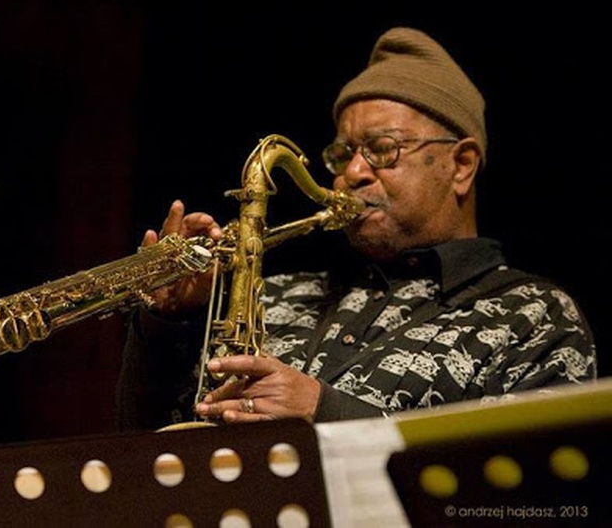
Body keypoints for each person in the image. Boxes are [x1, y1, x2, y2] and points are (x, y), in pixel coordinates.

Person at [115, 27, 598, 431]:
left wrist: (324, 413)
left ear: (462, 165)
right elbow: (145, 450)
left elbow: (524, 498)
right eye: (343, 154)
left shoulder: (534, 317)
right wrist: (166, 328)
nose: (353, 173)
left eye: (382, 149)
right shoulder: (273, 295)